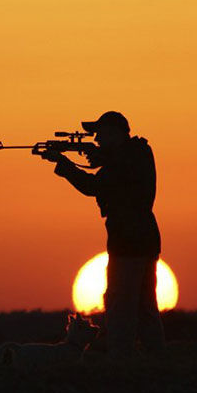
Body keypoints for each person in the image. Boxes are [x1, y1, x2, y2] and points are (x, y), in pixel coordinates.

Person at [39, 111, 165, 357]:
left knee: (121, 306)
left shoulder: (127, 158)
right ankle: (156, 359)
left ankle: (121, 359)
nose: (96, 138)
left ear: (116, 132)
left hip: (127, 243)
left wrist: (64, 165)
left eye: (101, 133)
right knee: (144, 306)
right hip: (143, 241)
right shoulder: (135, 154)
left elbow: (94, 187)